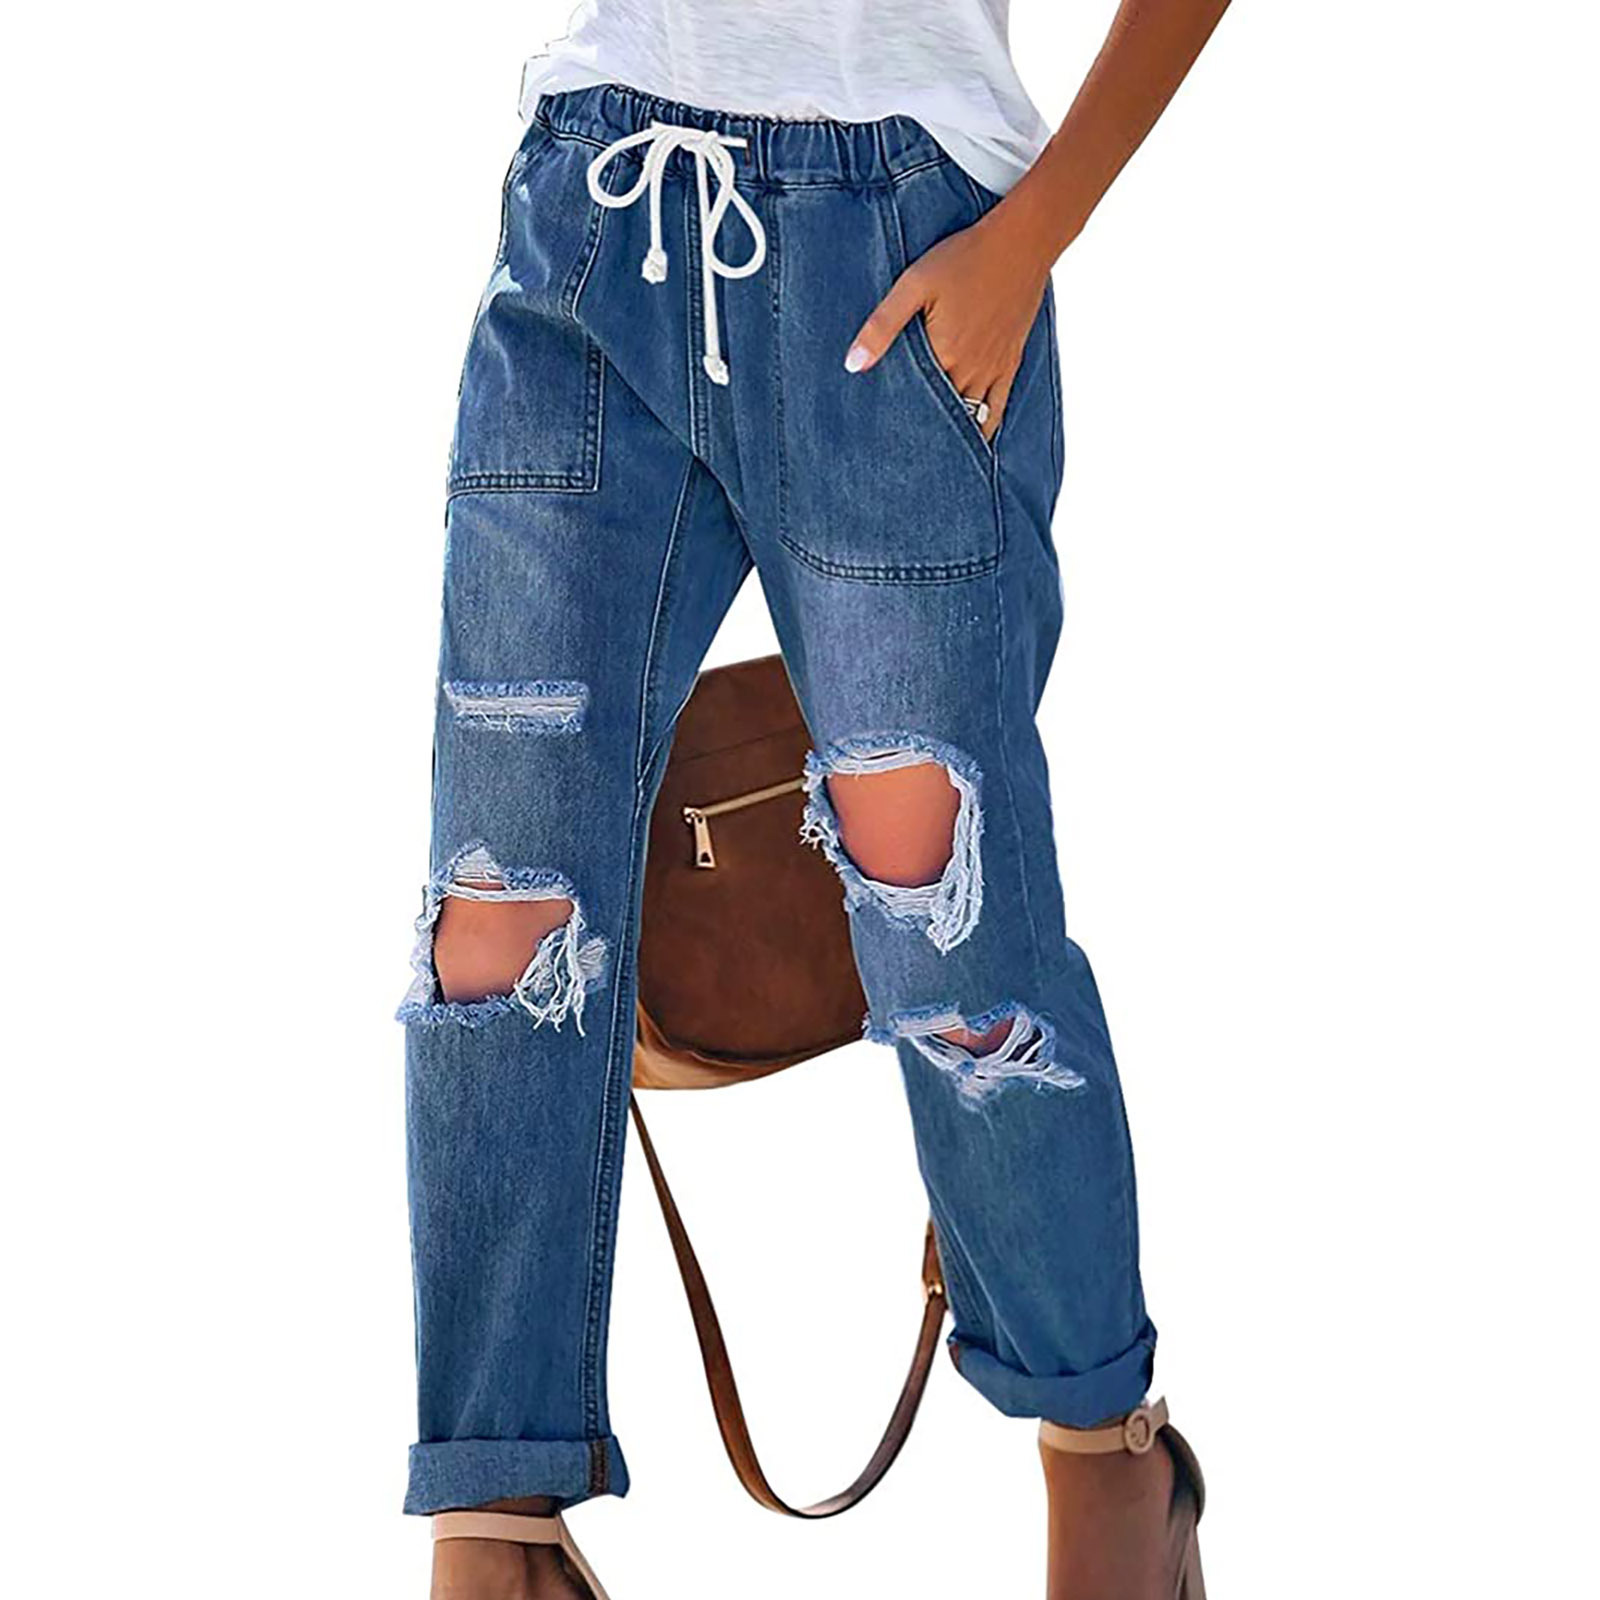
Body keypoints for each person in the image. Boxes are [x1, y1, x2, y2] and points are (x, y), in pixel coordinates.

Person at [402, 1, 1231, 1594]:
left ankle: (1102, 1446)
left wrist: (1030, 239)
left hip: (896, 241)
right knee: (494, 921)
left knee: (941, 905)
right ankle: (495, 1519)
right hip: (594, 207)